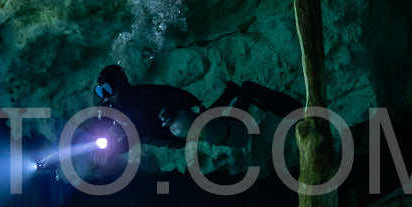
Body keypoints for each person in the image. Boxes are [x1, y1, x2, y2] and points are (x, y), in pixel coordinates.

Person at [94, 65, 302, 146]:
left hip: (182, 124)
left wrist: (194, 106)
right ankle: (234, 93)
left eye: (107, 90)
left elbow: (173, 94)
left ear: (120, 84)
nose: (104, 97)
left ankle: (244, 94)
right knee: (218, 127)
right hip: (179, 135)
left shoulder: (143, 95)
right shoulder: (117, 112)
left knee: (222, 131)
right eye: (100, 92)